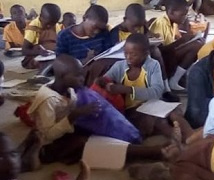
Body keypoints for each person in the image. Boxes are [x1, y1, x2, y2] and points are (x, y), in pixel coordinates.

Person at [22, 54, 180, 170]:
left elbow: (81, 101)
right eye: (78, 76)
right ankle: (153, 152)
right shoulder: (47, 99)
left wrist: (92, 96)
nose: (82, 79)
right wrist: (74, 116)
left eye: (83, 75)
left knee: (113, 120)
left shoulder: (67, 87)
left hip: (73, 127)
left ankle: (155, 136)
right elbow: (48, 134)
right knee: (93, 145)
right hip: (54, 143)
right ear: (63, 76)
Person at [98, 33, 195, 143]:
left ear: (146, 54)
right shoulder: (119, 66)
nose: (128, 57)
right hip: (132, 110)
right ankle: (175, 136)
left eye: (133, 55)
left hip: (152, 103)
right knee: (157, 120)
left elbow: (157, 92)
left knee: (174, 112)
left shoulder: (153, 65)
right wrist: (102, 81)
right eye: (126, 53)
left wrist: (128, 89)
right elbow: (105, 79)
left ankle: (191, 136)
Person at [149, 0, 205, 91]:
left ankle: (177, 78)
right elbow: (159, 51)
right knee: (196, 45)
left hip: (168, 56)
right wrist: (182, 41)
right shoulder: (161, 23)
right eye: (183, 15)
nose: (184, 18)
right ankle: (173, 81)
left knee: (199, 42)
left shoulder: (171, 23)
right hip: (162, 61)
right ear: (171, 12)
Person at [21, 3, 62, 69]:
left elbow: (60, 41)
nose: (50, 26)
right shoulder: (33, 27)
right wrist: (39, 52)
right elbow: (24, 50)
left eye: (53, 23)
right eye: (48, 23)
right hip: (37, 57)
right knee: (45, 65)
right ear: (41, 16)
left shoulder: (55, 25)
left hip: (53, 55)